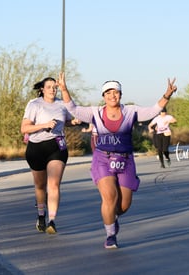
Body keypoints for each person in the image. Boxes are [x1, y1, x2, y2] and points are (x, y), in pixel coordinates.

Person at [58, 72, 177, 249]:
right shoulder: (95, 113)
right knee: (109, 198)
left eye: (115, 92)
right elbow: (73, 109)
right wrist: (64, 89)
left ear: (120, 95)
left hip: (126, 161)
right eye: (108, 93)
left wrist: (167, 94)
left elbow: (153, 110)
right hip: (102, 160)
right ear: (103, 96)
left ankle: (112, 219)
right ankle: (110, 235)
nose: (112, 96)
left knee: (123, 206)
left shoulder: (131, 111)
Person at [21, 76, 79, 235]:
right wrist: (45, 125)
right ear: (42, 89)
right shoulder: (34, 104)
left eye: (55, 87)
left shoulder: (62, 104)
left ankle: (52, 221)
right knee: (40, 185)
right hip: (36, 148)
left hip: (57, 146)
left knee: (53, 184)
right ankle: (41, 215)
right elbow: (24, 128)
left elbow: (66, 121)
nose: (53, 90)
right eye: (49, 87)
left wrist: (73, 122)